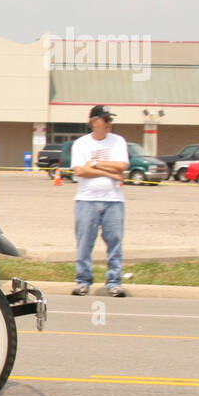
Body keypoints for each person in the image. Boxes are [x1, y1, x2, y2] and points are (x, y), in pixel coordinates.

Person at [70, 105, 130, 297]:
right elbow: (80, 171)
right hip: (87, 200)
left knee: (115, 241)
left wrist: (95, 164)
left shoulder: (118, 141)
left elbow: (122, 166)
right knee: (85, 242)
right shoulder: (81, 144)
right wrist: (107, 171)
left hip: (114, 201)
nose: (109, 124)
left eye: (110, 120)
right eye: (106, 120)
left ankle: (114, 281)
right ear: (94, 122)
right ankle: (83, 281)